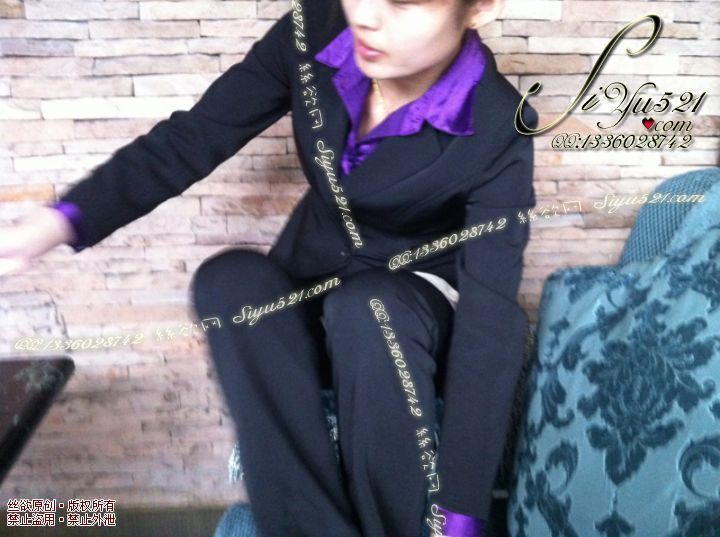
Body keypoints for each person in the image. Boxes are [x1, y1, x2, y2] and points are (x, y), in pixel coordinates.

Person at [0, 0, 538, 535]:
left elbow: (490, 317)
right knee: (229, 281)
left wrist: (461, 513)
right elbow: (193, 138)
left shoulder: (501, 126)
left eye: (405, 2)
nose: (367, 16)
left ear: (480, 7)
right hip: (314, 276)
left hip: (407, 306)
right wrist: (59, 222)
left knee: (370, 306)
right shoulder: (314, 30)